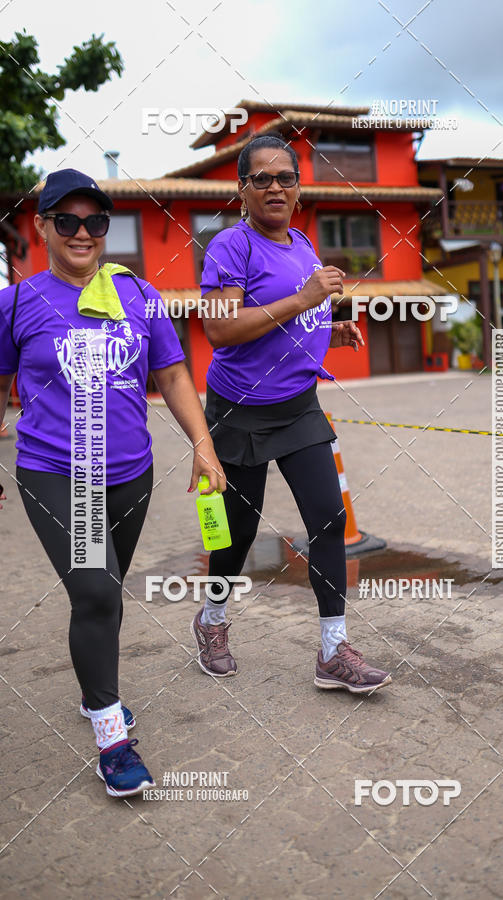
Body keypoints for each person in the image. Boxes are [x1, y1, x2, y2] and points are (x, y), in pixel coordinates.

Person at [0, 169, 225, 798]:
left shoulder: (140, 296)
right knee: (97, 594)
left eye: (94, 222)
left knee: (105, 590)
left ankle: (92, 685)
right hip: (54, 473)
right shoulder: (16, 303)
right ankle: (111, 736)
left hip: (131, 473)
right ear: (40, 226)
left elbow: (174, 375)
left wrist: (203, 448)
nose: (81, 232)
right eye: (65, 220)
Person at [190, 134, 392, 694]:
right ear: (243, 190)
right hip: (240, 409)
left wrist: (328, 328)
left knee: (328, 517)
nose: (275, 187)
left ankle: (332, 649)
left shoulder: (302, 243)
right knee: (236, 533)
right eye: (262, 178)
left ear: (299, 189)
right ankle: (211, 620)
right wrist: (304, 301)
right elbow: (220, 330)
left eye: (285, 178)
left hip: (298, 405)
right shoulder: (230, 246)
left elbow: (290, 320)